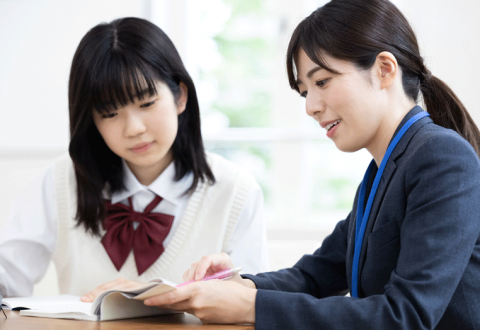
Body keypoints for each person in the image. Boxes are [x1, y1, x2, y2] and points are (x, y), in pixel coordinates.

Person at [142, 0, 480, 329]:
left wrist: (251, 307)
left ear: (384, 70)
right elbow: (314, 275)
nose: (311, 107)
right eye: (305, 91)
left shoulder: (442, 158)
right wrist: (240, 286)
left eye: (321, 82)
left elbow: (406, 316)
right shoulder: (382, 171)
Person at [0, 17, 269, 299]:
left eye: (147, 103)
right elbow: (7, 273)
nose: (134, 129)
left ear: (180, 97)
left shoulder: (236, 192)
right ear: (92, 121)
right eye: (110, 113)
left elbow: (249, 306)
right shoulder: (60, 183)